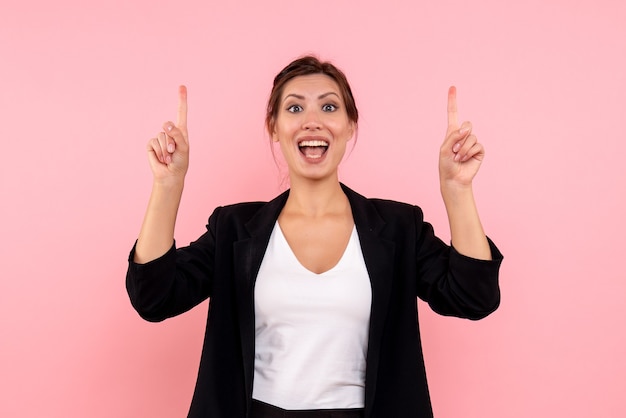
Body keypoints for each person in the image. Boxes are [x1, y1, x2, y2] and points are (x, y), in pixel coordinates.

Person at [126, 55, 503, 418]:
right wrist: (168, 184)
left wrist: (457, 191)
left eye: (328, 107)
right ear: (273, 127)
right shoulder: (235, 229)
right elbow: (154, 298)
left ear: (351, 124)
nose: (312, 122)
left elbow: (473, 298)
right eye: (293, 108)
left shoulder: (398, 227)